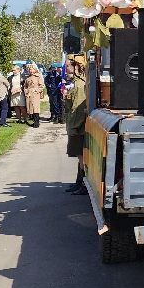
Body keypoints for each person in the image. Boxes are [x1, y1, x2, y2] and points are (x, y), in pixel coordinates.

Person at [64, 58, 88, 193]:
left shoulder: (78, 85)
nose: (66, 68)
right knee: (79, 156)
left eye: (68, 66)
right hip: (76, 126)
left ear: (77, 67)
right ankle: (79, 182)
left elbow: (78, 109)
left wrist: (73, 127)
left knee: (81, 156)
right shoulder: (74, 83)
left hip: (78, 127)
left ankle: (83, 184)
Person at [23, 63, 45, 128]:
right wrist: (26, 91)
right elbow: (25, 86)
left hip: (35, 94)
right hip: (29, 95)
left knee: (36, 108)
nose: (31, 71)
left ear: (35, 70)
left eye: (32, 70)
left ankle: (36, 122)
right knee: (30, 109)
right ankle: (33, 121)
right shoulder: (28, 77)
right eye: (30, 70)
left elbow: (42, 86)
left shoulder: (38, 76)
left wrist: (36, 90)